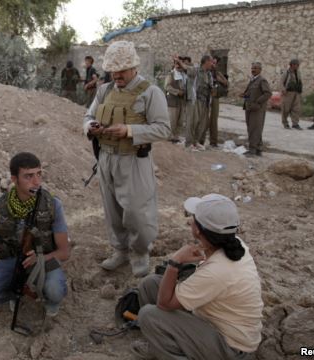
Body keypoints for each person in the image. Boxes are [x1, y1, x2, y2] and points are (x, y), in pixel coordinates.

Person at [131, 194, 263, 359]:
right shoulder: (234, 243)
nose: (190, 221)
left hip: (232, 349)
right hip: (215, 324)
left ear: (198, 230)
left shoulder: (217, 271)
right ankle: (160, 343)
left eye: (193, 218)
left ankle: (171, 352)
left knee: (149, 315)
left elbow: (164, 304)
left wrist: (175, 263)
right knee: (149, 284)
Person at [83, 41, 170, 277]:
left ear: (134, 67)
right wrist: (91, 127)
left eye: (122, 70)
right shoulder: (104, 91)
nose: (117, 75)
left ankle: (140, 253)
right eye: (113, 70)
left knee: (137, 212)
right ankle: (120, 250)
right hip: (106, 159)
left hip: (133, 160)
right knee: (112, 211)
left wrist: (130, 131)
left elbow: (163, 129)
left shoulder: (150, 92)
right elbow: (89, 115)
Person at [0, 152, 70, 317]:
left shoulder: (53, 204)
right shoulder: (1, 205)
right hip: (13, 261)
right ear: (14, 179)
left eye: (39, 174)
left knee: (55, 291)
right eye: (28, 176)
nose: (37, 182)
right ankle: (16, 293)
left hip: (44, 261)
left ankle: (50, 301)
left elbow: (64, 252)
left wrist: (40, 259)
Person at [175, 54, 214, 151]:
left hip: (205, 102)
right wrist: (179, 61)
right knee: (192, 122)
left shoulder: (209, 74)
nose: (212, 64)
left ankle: (195, 142)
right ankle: (189, 144)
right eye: (211, 62)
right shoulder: (196, 70)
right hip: (194, 101)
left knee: (201, 124)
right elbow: (185, 68)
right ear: (206, 62)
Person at [241, 62, 272, 157]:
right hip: (249, 108)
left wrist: (258, 102)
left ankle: (252, 150)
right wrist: (245, 95)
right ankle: (258, 149)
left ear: (260, 70)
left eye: (255, 68)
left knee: (254, 129)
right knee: (253, 129)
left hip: (257, 109)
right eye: (252, 68)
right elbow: (252, 93)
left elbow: (267, 93)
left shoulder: (262, 80)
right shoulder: (253, 80)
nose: (253, 70)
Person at [206, 56, 229, 147]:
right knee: (203, 120)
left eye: (215, 63)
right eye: (212, 63)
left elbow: (227, 83)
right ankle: (200, 140)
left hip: (215, 98)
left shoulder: (218, 73)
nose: (213, 65)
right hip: (205, 97)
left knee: (214, 120)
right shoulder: (205, 72)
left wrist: (220, 80)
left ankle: (213, 141)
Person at [164, 58, 188, 143]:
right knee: (172, 121)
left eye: (179, 64)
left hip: (181, 102)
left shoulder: (184, 75)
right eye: (177, 64)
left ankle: (176, 136)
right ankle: (170, 136)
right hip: (173, 102)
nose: (178, 66)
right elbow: (167, 86)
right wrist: (177, 92)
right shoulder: (171, 74)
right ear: (174, 64)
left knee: (180, 121)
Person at [281, 59, 303, 130]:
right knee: (286, 109)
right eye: (296, 64)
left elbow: (299, 81)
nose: (297, 66)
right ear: (292, 65)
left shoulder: (298, 73)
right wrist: (283, 89)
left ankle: (295, 123)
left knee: (296, 109)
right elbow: (281, 82)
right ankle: (285, 123)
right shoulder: (286, 73)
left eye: (298, 65)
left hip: (296, 93)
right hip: (288, 93)